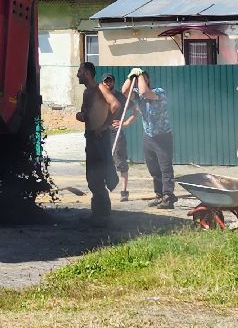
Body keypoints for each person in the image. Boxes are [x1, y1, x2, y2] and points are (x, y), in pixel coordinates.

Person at [74, 61, 120, 225]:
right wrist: (82, 116)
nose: (77, 74)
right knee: (93, 178)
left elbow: (115, 104)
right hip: (91, 139)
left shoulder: (100, 88)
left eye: (79, 71)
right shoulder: (87, 93)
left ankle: (103, 215)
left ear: (87, 73)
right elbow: (87, 114)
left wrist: (103, 126)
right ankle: (98, 214)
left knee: (98, 176)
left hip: (100, 139)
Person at [123, 67, 175, 209]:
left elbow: (145, 92)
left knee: (165, 168)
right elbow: (124, 92)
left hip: (162, 136)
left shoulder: (158, 92)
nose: (139, 82)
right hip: (148, 137)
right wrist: (131, 77)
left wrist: (140, 75)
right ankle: (159, 195)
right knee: (153, 168)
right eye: (139, 79)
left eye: (142, 79)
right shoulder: (137, 96)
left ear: (148, 80)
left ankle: (168, 197)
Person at [102, 73, 135, 201]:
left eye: (110, 81)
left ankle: (124, 191)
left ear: (113, 83)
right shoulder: (99, 96)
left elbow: (136, 109)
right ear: (103, 83)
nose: (108, 83)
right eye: (106, 81)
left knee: (121, 162)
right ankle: (103, 191)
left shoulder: (120, 97)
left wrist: (125, 122)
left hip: (116, 132)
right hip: (102, 132)